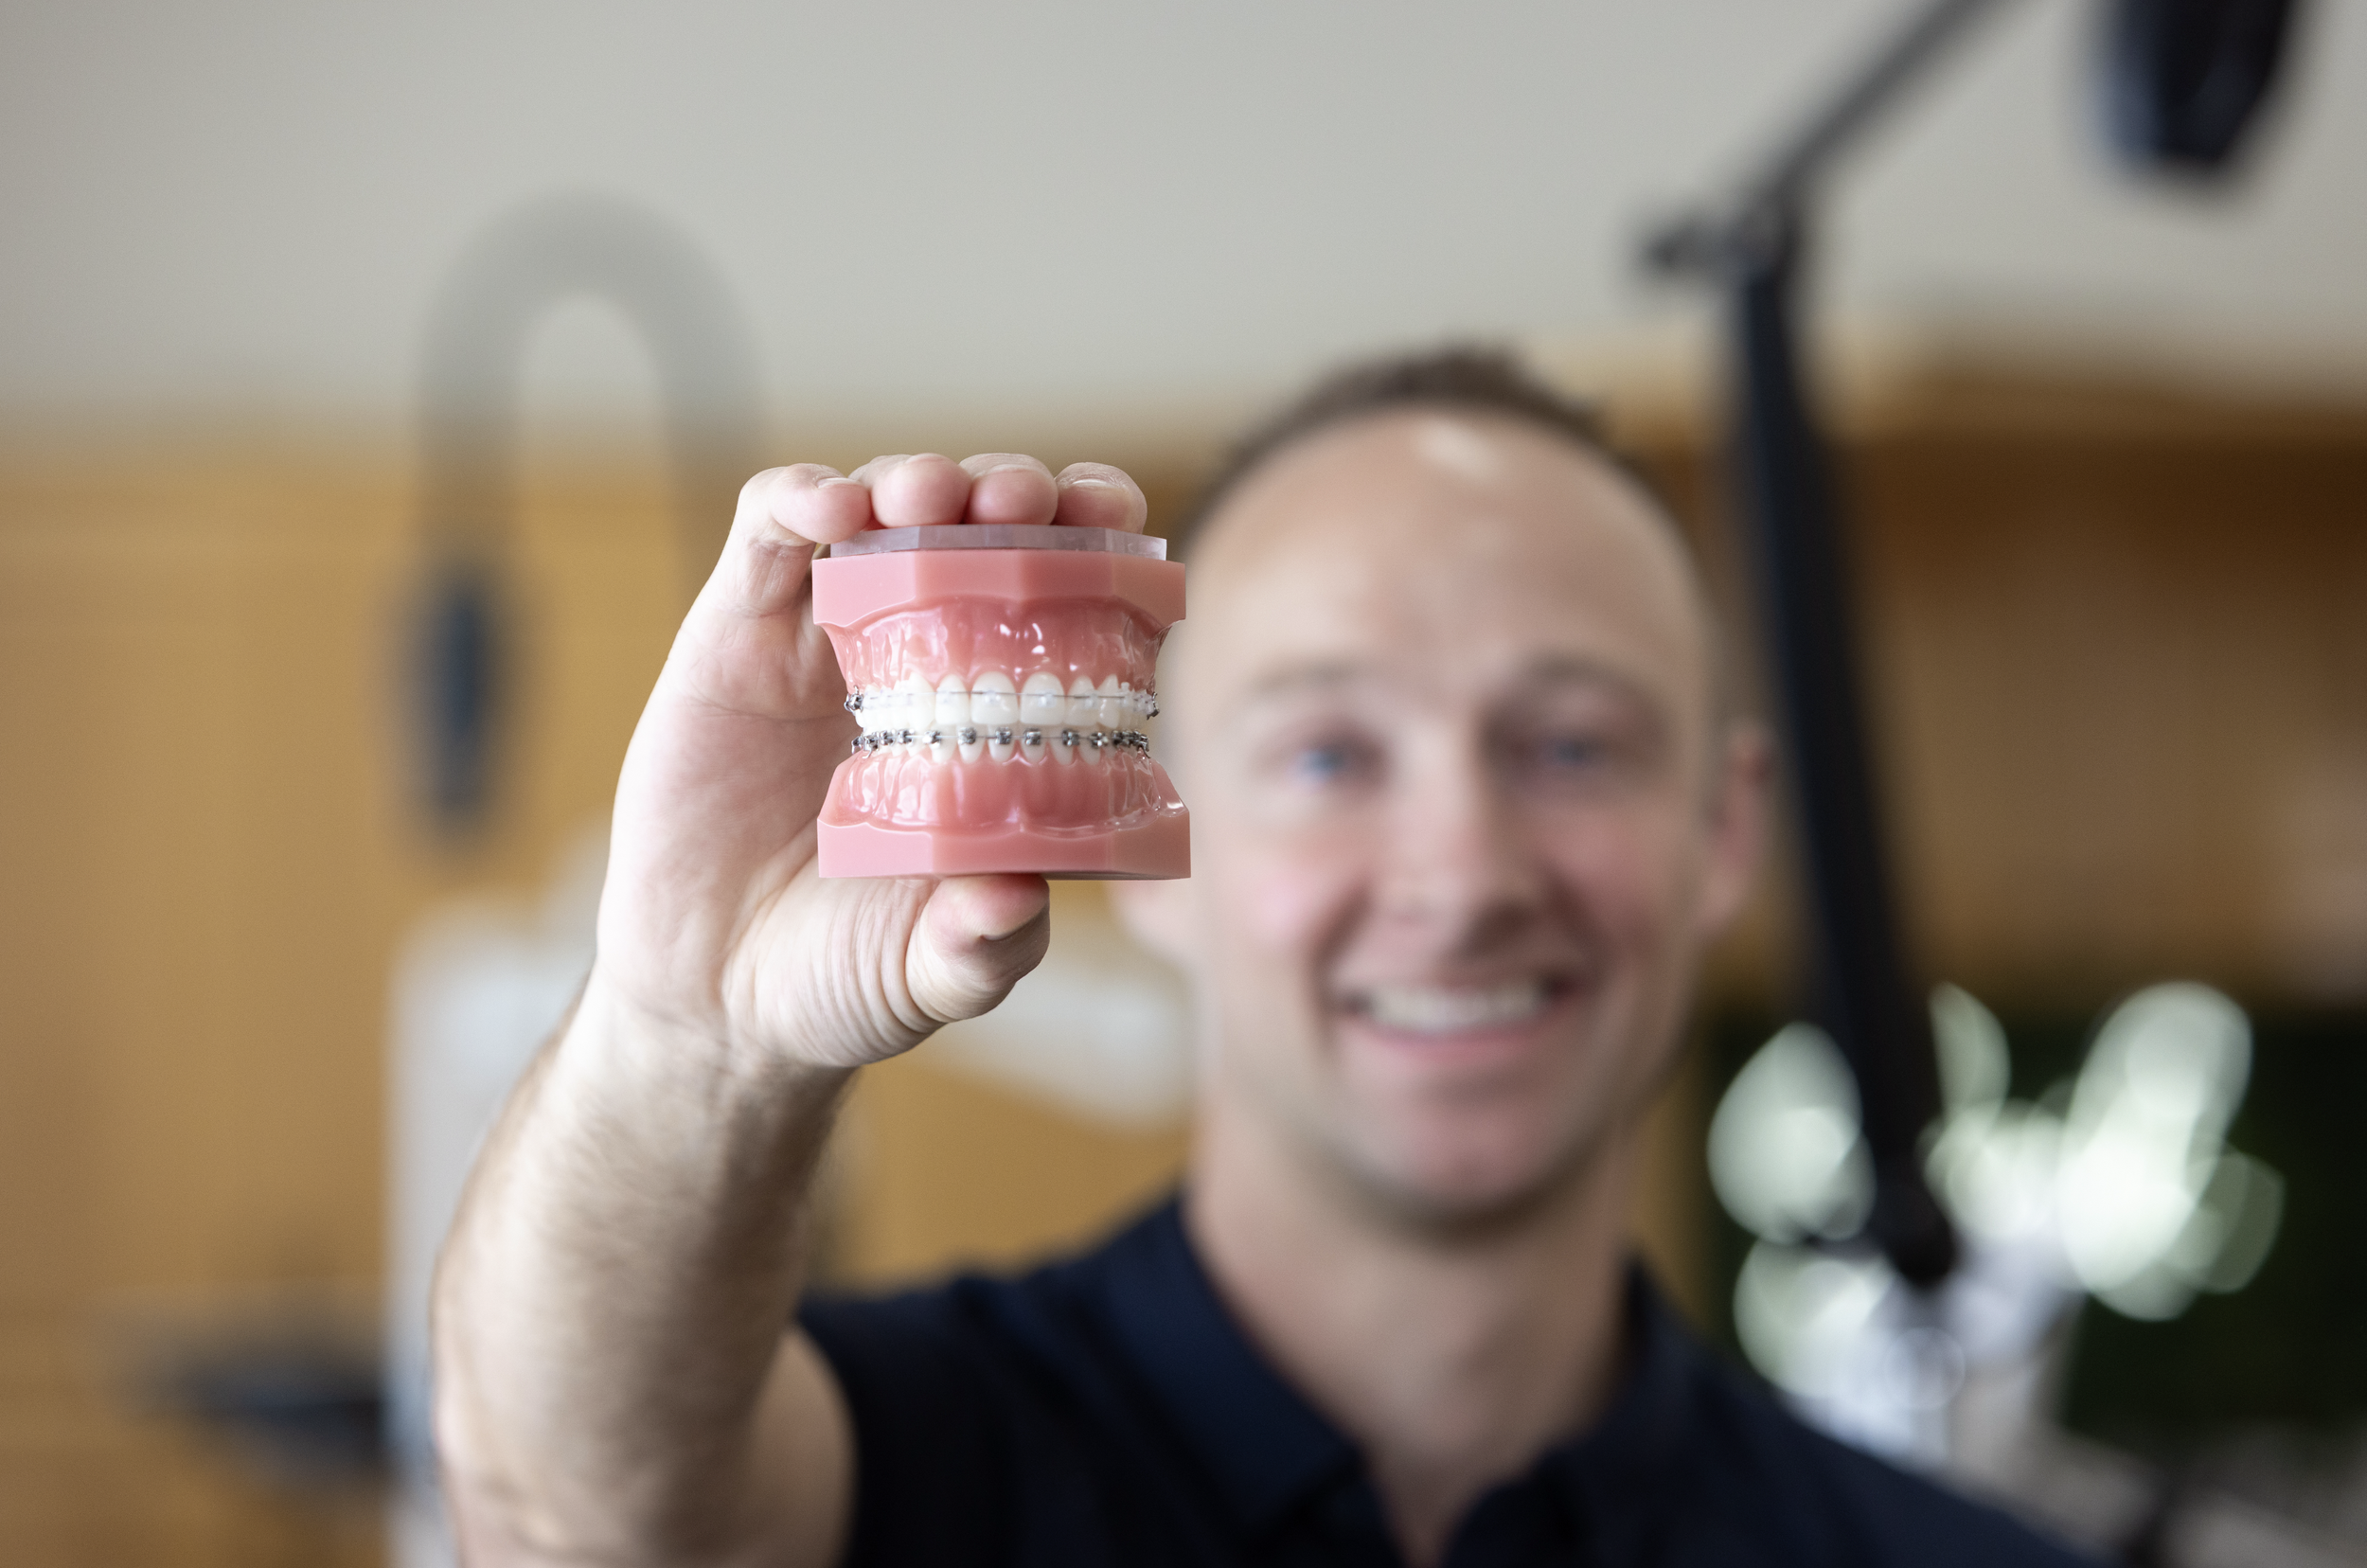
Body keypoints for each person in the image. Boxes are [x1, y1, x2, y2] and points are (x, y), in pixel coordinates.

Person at [433, 349, 2094, 1567]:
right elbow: (556, 1508)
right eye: (1323, 755)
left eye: (1574, 746)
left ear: (1726, 833)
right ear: (1157, 826)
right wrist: (688, 1031)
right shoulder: (902, 1465)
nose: (1461, 873)